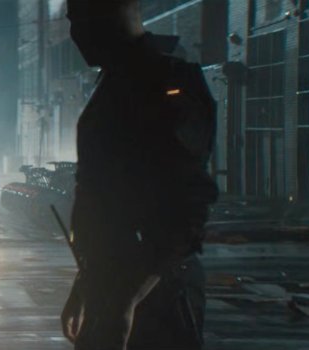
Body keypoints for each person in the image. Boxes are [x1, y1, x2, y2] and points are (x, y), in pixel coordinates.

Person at [60, 1, 218, 349]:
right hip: (113, 289)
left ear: (116, 14)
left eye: (83, 19)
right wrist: (86, 285)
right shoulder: (113, 84)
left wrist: (126, 300)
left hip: (156, 295)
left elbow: (186, 208)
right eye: (73, 21)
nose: (76, 34)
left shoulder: (164, 84)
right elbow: (102, 200)